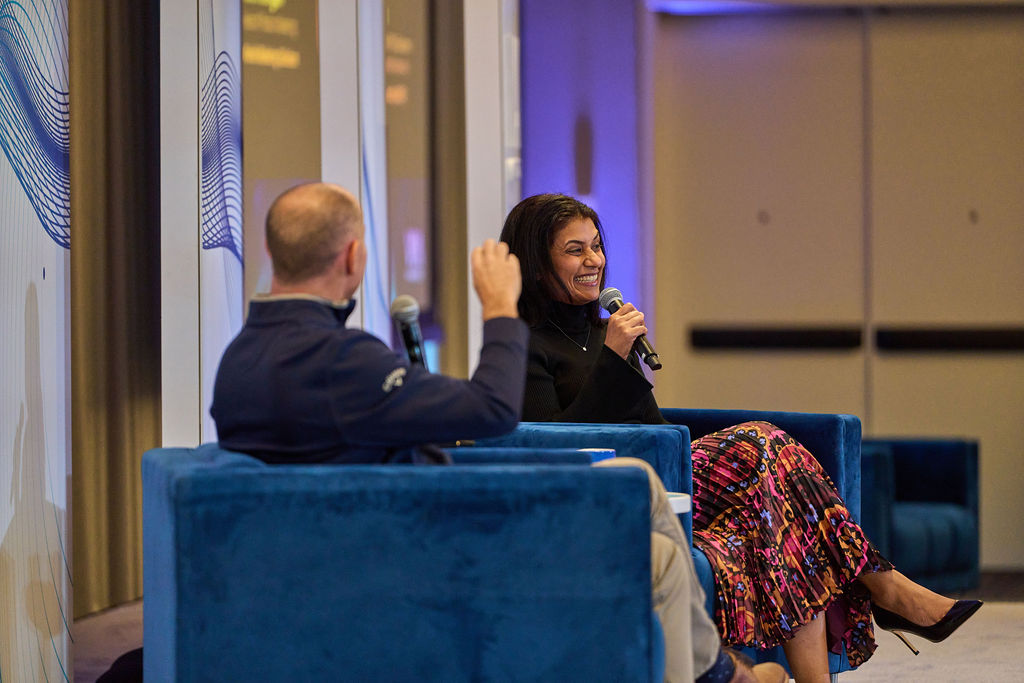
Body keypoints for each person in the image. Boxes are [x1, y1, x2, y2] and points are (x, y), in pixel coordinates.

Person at [209, 182, 784, 683]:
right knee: (656, 549)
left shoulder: (240, 359)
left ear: (270, 252)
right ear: (354, 256)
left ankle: (716, 673)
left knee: (636, 479)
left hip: (357, 538)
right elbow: (491, 411)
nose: (594, 260)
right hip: (424, 552)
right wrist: (499, 308)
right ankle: (718, 674)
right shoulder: (342, 361)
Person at [499, 192, 983, 683]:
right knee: (761, 441)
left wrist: (618, 359)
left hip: (676, 477)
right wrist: (613, 359)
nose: (594, 261)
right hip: (623, 492)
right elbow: (556, 444)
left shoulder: (605, 331)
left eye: (597, 246)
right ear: (539, 265)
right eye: (574, 249)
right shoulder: (523, 345)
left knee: (782, 516)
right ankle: (887, 587)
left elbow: (649, 422)